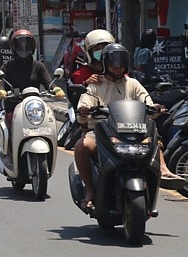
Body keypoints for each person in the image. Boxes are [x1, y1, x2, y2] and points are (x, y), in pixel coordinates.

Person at [75, 43, 185, 210]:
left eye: (121, 62)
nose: (117, 66)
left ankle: (163, 169)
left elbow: (147, 103)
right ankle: (90, 191)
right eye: (113, 61)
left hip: (133, 131)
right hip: (102, 132)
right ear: (105, 63)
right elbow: (83, 107)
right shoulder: (96, 84)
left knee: (153, 133)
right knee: (81, 147)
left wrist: (154, 108)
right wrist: (84, 111)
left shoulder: (133, 83)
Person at [0, 30, 64, 151]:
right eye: (20, 45)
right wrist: (1, 90)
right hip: (14, 106)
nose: (24, 48)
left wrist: (56, 89)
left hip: (34, 107)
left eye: (27, 45)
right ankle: (10, 152)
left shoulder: (38, 65)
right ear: (13, 47)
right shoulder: (8, 66)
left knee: (48, 124)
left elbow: (48, 82)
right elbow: (0, 81)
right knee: (11, 127)